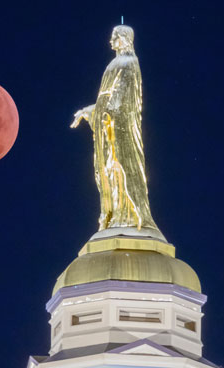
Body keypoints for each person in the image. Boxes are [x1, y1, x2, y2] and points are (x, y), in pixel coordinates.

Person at [71, 25, 159, 232]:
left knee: (123, 167)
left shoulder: (129, 63)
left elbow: (121, 98)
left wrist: (105, 111)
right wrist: (89, 110)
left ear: (125, 39)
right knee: (108, 170)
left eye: (115, 38)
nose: (111, 42)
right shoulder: (114, 63)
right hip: (108, 123)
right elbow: (106, 98)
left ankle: (131, 215)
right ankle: (115, 215)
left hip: (121, 126)